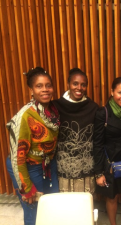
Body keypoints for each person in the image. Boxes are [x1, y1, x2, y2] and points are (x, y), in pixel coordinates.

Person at [6, 67, 60, 225]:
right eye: (39, 86)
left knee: (52, 205)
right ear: (31, 90)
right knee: (34, 210)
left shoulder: (53, 111)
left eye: (48, 85)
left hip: (47, 165)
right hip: (27, 167)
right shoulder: (25, 115)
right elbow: (17, 158)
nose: (45, 89)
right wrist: (26, 188)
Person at [93, 77, 121, 225]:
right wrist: (98, 173)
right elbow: (97, 144)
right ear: (112, 92)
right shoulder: (102, 113)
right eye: (120, 92)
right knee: (111, 197)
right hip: (109, 165)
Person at [53, 68, 99, 193]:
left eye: (83, 85)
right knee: (67, 207)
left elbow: (98, 139)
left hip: (86, 170)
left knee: (85, 205)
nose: (79, 88)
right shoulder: (56, 106)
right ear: (68, 84)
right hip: (64, 169)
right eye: (75, 84)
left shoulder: (93, 108)